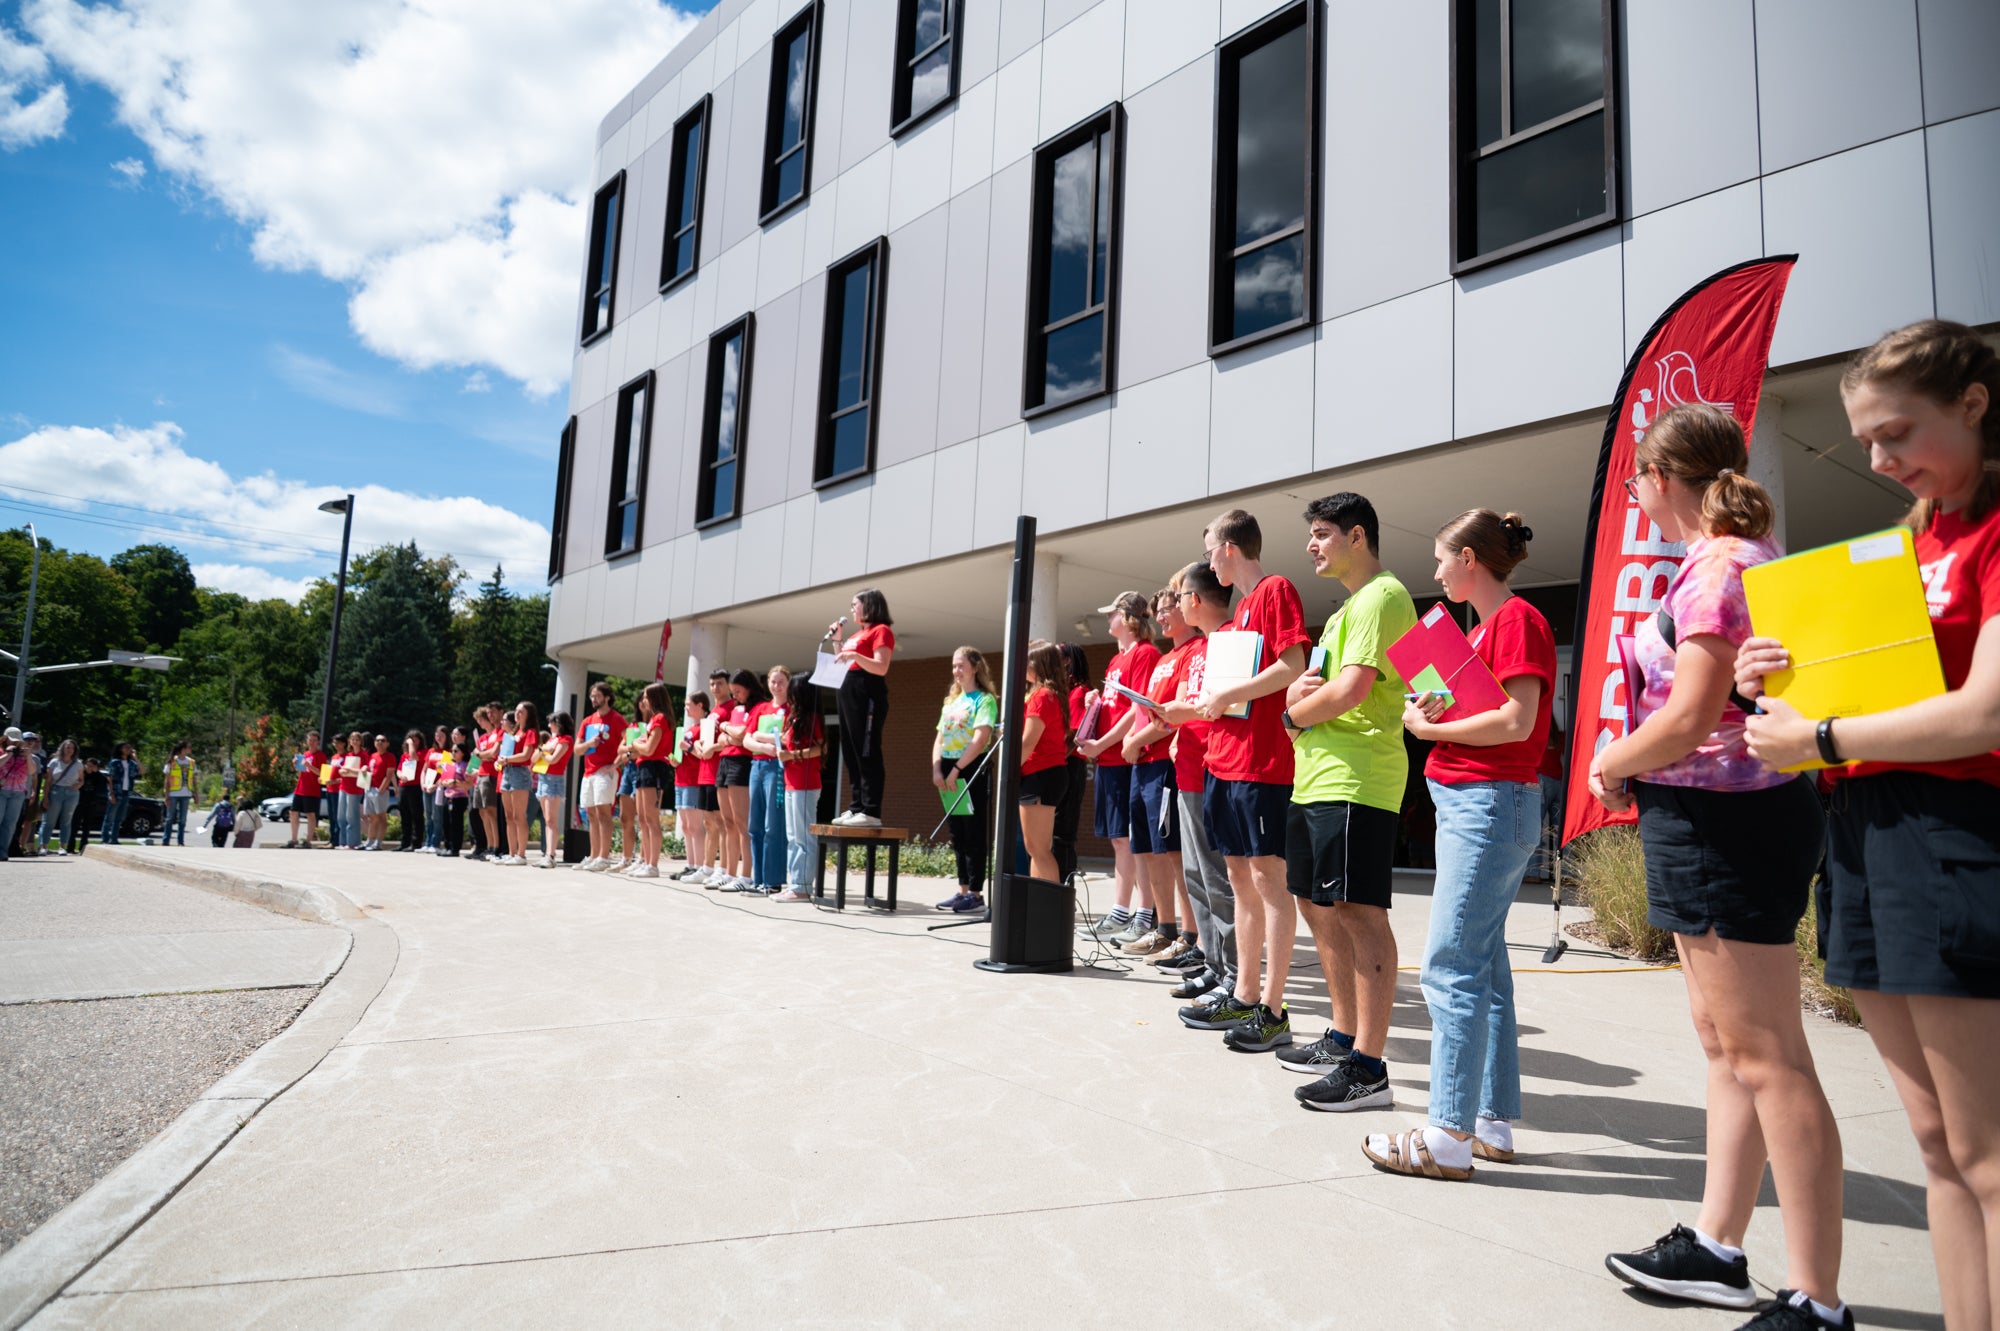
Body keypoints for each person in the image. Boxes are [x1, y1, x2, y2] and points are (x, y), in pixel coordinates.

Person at [1737, 320, 2000, 1331]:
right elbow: (1889, 679)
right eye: (1865, 444)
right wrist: (1781, 676)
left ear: (1971, 405)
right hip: (1867, 828)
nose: (1881, 461)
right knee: (1934, 1141)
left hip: (1952, 827)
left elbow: (1983, 710)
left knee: (1983, 1150)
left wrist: (1824, 731)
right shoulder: (1914, 536)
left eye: (1897, 434)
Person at [1579, 404, 1845, 1324]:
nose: (1636, 497)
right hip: (1713, 816)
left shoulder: (1720, 563)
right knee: (1731, 1048)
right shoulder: (1731, 558)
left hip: (1726, 820)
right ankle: (1719, 1246)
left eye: (1637, 482)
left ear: (1660, 478)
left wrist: (1611, 760)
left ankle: (1817, 1297)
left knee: (1767, 1057)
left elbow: (1690, 716)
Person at [1363, 509, 1553, 1184]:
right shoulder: (1486, 628)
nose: (1437, 571)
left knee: (1451, 966)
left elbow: (1517, 719)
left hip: (1487, 802)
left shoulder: (1518, 621)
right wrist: (1429, 717)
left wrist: (1426, 726)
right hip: (1479, 801)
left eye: (1443, 558)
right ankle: (1490, 1123)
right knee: (1485, 964)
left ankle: (1447, 1134)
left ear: (1470, 558)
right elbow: (1497, 715)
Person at [1275, 493, 1417, 1111]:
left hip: (1359, 780)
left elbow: (1353, 690)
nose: (1312, 544)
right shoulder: (1343, 613)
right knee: (1314, 903)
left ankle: (1370, 1067)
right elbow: (1329, 693)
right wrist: (1302, 711)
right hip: (1317, 779)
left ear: (1358, 536)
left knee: (1361, 912)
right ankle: (1342, 1034)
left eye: (1323, 533)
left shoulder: (1384, 596)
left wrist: (1291, 713)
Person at [1179, 509, 1310, 1053]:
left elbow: (1294, 665)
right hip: (1223, 763)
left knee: (1269, 884)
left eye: (1211, 548)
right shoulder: (1232, 625)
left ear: (1231, 548)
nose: (1209, 558)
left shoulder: (1276, 589)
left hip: (1262, 765)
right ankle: (1245, 991)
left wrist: (1229, 695)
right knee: (1238, 882)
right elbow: (1223, 697)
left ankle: (1274, 1012)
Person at [1155, 561, 1235, 1002]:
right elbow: (1187, 701)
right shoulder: (1199, 649)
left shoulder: (1231, 641)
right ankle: (1213, 963)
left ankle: (1232, 976)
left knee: (1217, 877)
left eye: (1181, 595)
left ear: (1198, 599)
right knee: (1196, 876)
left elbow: (1220, 705)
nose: (1176, 603)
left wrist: (1183, 713)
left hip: (1213, 769)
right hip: (1186, 769)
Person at [1077, 592, 1163, 950]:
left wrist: (1103, 744)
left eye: (1112, 613)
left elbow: (1136, 709)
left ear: (1127, 618)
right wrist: (1093, 704)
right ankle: (1121, 909)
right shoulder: (1115, 660)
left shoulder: (1145, 654)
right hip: (1112, 759)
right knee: (1119, 839)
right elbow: (1117, 704)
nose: (1107, 619)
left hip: (1128, 757)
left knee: (1134, 839)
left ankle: (1145, 913)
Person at [1118, 590, 1191, 958]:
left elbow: (1169, 719)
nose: (1161, 617)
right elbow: (1147, 710)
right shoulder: (1165, 658)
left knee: (1171, 851)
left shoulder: (1190, 654)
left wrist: (1134, 742)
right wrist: (1132, 739)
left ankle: (1187, 936)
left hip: (1163, 763)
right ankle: (1163, 928)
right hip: (1142, 764)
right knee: (1147, 850)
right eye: (1158, 612)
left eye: (1167, 610)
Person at [932, 646, 999, 912]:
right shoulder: (951, 702)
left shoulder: (984, 700)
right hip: (948, 768)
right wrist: (937, 768)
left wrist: (958, 769)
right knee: (957, 832)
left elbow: (980, 738)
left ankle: (976, 892)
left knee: (973, 831)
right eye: (953, 666)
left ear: (975, 667)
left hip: (970, 767)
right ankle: (961, 890)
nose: (956, 671)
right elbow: (939, 738)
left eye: (961, 665)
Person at [831, 587, 896, 827]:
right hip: (847, 689)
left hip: (867, 690)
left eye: (854, 604)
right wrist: (838, 641)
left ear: (870, 605)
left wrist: (856, 657)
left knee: (867, 749)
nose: (851, 609)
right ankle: (856, 806)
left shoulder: (881, 631)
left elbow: (881, 667)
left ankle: (871, 810)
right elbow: (842, 661)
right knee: (851, 750)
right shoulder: (857, 635)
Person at [1018, 640, 1073, 883]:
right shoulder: (1047, 695)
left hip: (1039, 774)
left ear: (1038, 665)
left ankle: (1049, 909)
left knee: (1038, 849)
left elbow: (1028, 742)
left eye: (1027, 660)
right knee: (1037, 849)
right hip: (1045, 774)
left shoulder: (1041, 696)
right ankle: (1039, 906)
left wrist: (1008, 772)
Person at [773, 678, 826, 902]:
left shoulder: (811, 718)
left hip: (806, 783)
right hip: (791, 781)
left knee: (804, 837)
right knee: (793, 836)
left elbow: (821, 749)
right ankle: (795, 883)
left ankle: (803, 886)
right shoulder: (792, 717)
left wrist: (793, 755)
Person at [744, 666, 794, 893]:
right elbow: (746, 738)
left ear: (788, 683)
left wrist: (760, 736)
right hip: (757, 766)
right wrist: (764, 743)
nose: (777, 686)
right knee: (755, 825)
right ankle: (758, 879)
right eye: (773, 681)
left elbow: (787, 738)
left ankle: (773, 881)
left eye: (781, 681)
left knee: (773, 825)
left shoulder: (792, 709)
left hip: (777, 768)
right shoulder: (761, 708)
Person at [622, 683, 674, 879]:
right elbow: (641, 749)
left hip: (655, 769)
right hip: (644, 768)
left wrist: (635, 743)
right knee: (643, 818)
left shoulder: (660, 719)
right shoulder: (652, 720)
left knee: (651, 819)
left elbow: (648, 749)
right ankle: (645, 861)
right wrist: (638, 746)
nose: (643, 701)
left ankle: (652, 864)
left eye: (646, 697)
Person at [709, 668, 754, 889]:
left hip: (741, 763)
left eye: (737, 690)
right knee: (728, 822)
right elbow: (723, 738)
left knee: (742, 823)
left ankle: (745, 876)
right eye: (733, 691)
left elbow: (741, 736)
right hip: (724, 762)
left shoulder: (756, 707)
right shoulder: (736, 708)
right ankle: (729, 872)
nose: (735, 695)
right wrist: (729, 733)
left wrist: (727, 728)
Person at [576, 683, 627, 872]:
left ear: (607, 697)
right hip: (588, 773)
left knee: (604, 814)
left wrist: (615, 764)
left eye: (597, 696)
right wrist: (589, 743)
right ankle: (594, 855)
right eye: (592, 696)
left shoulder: (617, 719)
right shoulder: (587, 720)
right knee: (591, 814)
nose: (593, 699)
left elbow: (629, 741)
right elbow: (577, 749)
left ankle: (604, 857)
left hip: (605, 773)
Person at [1055, 642, 1092, 895]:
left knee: (1063, 833)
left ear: (1068, 661)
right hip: (1058, 764)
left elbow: (1075, 733)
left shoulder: (1079, 691)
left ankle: (1064, 891)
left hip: (1069, 764)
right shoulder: (1059, 691)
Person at [671, 692, 715, 882]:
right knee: (687, 826)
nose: (686, 707)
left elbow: (704, 754)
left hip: (694, 781)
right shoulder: (688, 729)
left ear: (700, 705)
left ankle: (699, 865)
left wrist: (687, 748)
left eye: (689, 704)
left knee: (695, 826)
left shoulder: (705, 727)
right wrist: (675, 758)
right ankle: (691, 864)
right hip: (681, 779)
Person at [499, 704, 539, 865]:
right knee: (509, 816)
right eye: (516, 710)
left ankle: (521, 855)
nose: (517, 713)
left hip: (520, 772)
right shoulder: (514, 732)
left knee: (519, 815)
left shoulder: (530, 732)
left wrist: (507, 759)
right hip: (507, 771)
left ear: (529, 714)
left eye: (521, 711)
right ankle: (512, 852)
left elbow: (526, 755)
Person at [535, 712, 573, 868]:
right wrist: (545, 750)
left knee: (551, 819)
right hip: (543, 778)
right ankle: (547, 854)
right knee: (547, 820)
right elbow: (537, 758)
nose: (549, 726)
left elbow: (553, 759)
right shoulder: (552, 740)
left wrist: (543, 751)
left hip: (554, 779)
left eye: (552, 722)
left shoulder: (566, 739)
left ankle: (551, 855)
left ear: (560, 724)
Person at [36, 738, 83, 855]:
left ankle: (62, 847)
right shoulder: (54, 762)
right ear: (62, 748)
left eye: (72, 748)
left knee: (66, 821)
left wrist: (79, 785)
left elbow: (82, 780)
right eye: (67, 747)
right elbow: (48, 781)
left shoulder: (78, 764)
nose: (69, 750)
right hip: (56, 791)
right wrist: (45, 797)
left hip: (71, 793)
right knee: (49, 820)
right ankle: (43, 846)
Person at [470, 707, 501, 862]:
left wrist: (482, 755)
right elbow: (477, 753)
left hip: (491, 775)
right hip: (480, 775)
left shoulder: (497, 734)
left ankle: (495, 846)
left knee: (491, 811)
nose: (480, 722)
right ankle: (488, 845)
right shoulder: (482, 738)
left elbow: (492, 754)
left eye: (481, 719)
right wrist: (483, 755)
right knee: (482, 812)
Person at [288, 730, 325, 848]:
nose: (312, 742)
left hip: (312, 790)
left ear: (318, 742)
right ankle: (294, 839)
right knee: (293, 812)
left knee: (310, 814)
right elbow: (302, 771)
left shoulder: (321, 756)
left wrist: (309, 766)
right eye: (310, 740)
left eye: (314, 740)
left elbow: (322, 773)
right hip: (300, 788)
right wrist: (295, 764)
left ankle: (308, 841)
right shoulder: (305, 754)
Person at [101, 741, 141, 844]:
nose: (128, 749)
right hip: (116, 792)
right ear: (120, 749)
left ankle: (114, 839)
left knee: (119, 818)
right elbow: (110, 778)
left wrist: (135, 757)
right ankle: (105, 839)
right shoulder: (115, 762)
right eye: (125, 747)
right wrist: (111, 794)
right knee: (109, 817)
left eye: (129, 747)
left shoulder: (131, 763)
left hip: (126, 792)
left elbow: (142, 771)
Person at [0, 730, 31, 860]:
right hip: (2, 790)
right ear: (5, 738)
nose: (14, 742)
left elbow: (32, 771)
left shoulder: (23, 753)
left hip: (17, 792)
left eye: (17, 740)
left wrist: (28, 756)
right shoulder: (2, 751)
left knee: (10, 823)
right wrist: (8, 754)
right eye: (12, 739)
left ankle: (3, 851)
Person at [437, 742, 471, 857]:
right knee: (446, 822)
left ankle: (455, 848)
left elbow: (468, 784)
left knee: (456, 823)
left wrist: (455, 782)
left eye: (456, 751)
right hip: (448, 795)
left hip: (459, 797)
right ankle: (447, 846)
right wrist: (444, 782)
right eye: (452, 751)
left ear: (463, 753)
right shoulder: (450, 764)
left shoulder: (465, 765)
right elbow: (442, 778)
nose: (453, 753)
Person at [396, 730, 427, 851]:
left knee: (416, 815)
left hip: (415, 786)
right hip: (404, 785)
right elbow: (398, 769)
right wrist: (400, 776)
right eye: (411, 739)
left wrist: (410, 744)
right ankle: (405, 842)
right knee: (404, 815)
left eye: (415, 739)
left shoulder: (422, 752)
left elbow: (414, 757)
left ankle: (416, 843)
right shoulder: (404, 755)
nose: (413, 742)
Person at [363, 733, 395, 851]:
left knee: (381, 817)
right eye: (377, 740)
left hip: (379, 791)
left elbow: (389, 774)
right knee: (372, 817)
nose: (379, 742)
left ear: (387, 743)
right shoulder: (373, 756)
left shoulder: (390, 756)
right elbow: (369, 770)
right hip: (368, 788)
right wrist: (365, 768)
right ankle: (370, 841)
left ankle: (378, 843)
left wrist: (381, 789)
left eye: (382, 740)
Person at [162, 739, 195, 846]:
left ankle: (180, 841)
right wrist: (166, 795)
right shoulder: (171, 761)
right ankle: (165, 840)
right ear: (183, 749)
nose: (190, 749)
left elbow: (193, 779)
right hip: (173, 794)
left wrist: (196, 794)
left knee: (182, 819)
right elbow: (167, 779)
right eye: (189, 747)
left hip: (186, 794)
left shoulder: (191, 762)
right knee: (169, 818)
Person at [424, 724, 449, 850]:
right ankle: (427, 842)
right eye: (437, 735)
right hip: (427, 786)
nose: (438, 737)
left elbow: (446, 772)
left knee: (436, 815)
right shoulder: (431, 751)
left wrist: (435, 785)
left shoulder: (447, 753)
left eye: (442, 735)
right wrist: (423, 783)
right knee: (428, 815)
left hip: (439, 788)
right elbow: (425, 769)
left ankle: (435, 842)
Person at [75, 757, 107, 854]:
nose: (89, 767)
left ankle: (83, 846)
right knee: (75, 825)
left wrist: (96, 772)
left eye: (92, 765)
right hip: (79, 802)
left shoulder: (97, 776)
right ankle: (70, 846)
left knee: (87, 826)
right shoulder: (81, 773)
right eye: (88, 765)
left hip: (91, 803)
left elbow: (105, 782)